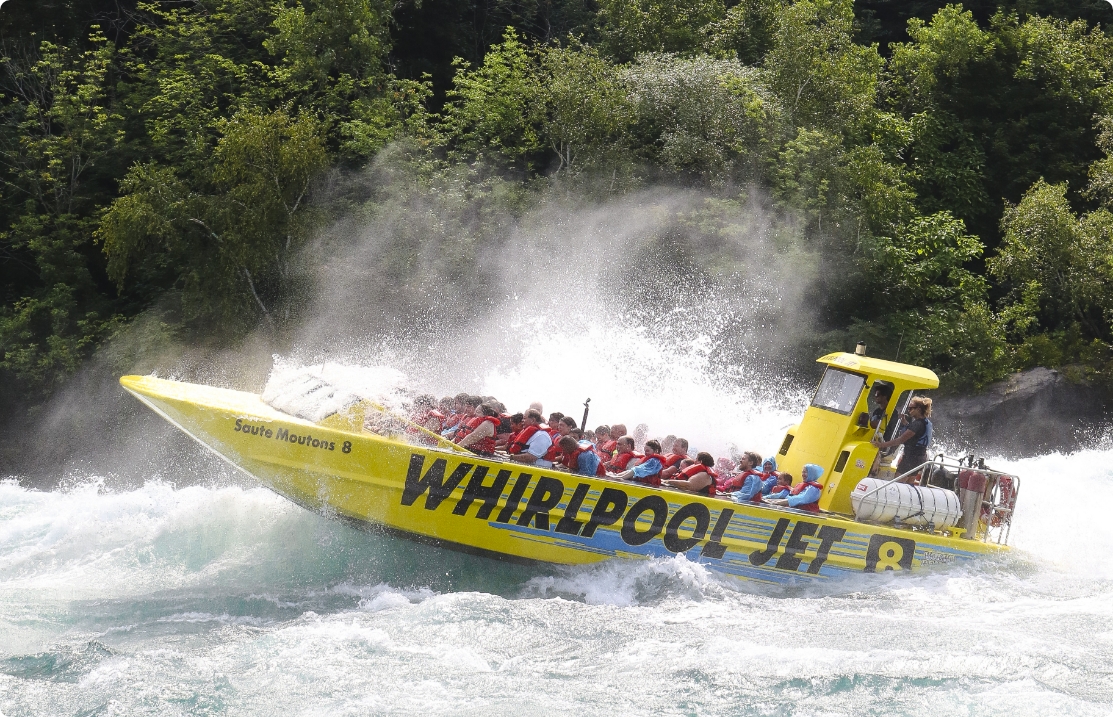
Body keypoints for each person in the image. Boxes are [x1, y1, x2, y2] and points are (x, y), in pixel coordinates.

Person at [871, 396, 933, 484]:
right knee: (909, 484)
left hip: (910, 458)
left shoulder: (917, 424)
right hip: (920, 458)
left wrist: (881, 445)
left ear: (918, 409)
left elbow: (900, 440)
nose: (908, 410)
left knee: (896, 483)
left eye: (911, 408)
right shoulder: (925, 422)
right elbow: (914, 433)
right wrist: (904, 422)